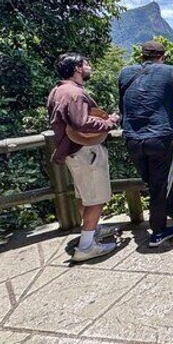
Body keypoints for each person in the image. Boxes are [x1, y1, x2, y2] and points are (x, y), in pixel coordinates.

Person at [118, 41, 173, 248]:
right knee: (160, 186)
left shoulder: (125, 73)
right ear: (162, 56)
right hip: (160, 137)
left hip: (132, 138)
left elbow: (123, 105)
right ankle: (158, 232)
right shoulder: (169, 72)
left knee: (153, 183)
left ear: (141, 56)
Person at [47, 53, 120, 261]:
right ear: (78, 68)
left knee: (84, 196)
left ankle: (92, 230)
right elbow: (82, 122)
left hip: (72, 151)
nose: (90, 67)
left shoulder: (58, 90)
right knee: (96, 198)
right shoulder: (74, 93)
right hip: (85, 151)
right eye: (86, 64)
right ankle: (86, 246)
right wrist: (110, 122)